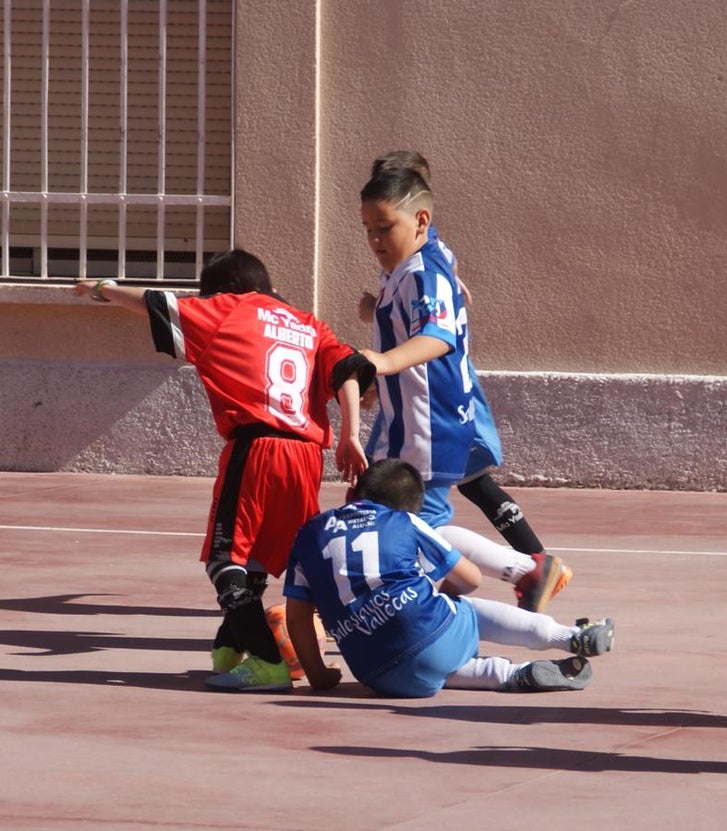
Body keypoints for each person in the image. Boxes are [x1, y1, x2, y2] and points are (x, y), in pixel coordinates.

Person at [73, 249, 373, 692]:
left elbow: (157, 302)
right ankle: (231, 649)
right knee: (255, 561)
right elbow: (351, 368)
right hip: (307, 456)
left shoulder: (228, 308)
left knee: (224, 560)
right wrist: (351, 433)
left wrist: (103, 289)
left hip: (257, 449)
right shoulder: (308, 323)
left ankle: (269, 664)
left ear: (219, 291)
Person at [355, 162, 568, 613]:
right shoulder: (407, 267)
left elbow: (438, 335)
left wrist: (383, 361)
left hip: (429, 423)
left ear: (421, 219)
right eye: (368, 229)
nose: (375, 239)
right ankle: (382, 596)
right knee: (373, 508)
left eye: (384, 227)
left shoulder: (424, 272)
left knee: (417, 524)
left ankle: (524, 570)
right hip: (404, 419)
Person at [282, 458, 614, 696]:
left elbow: (297, 618)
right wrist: (447, 593)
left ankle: (512, 675)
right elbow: (470, 580)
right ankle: (566, 636)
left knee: (431, 666)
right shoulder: (405, 522)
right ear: (408, 509)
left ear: (350, 496)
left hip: (377, 675)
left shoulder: (308, 535)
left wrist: (319, 676)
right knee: (458, 606)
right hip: (432, 633)